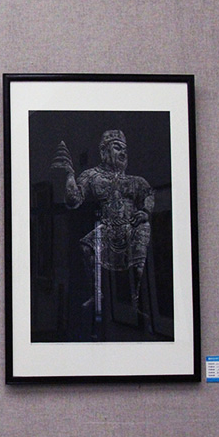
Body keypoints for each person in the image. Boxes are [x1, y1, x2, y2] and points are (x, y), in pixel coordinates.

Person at [51, 130, 154, 333]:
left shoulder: (135, 182)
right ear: (104, 151)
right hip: (107, 228)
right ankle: (96, 292)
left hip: (130, 228)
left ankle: (137, 297)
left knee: (144, 230)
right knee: (86, 245)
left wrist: (144, 213)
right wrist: (70, 175)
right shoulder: (92, 176)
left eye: (124, 149)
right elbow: (73, 200)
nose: (122, 153)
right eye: (117, 148)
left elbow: (148, 195)